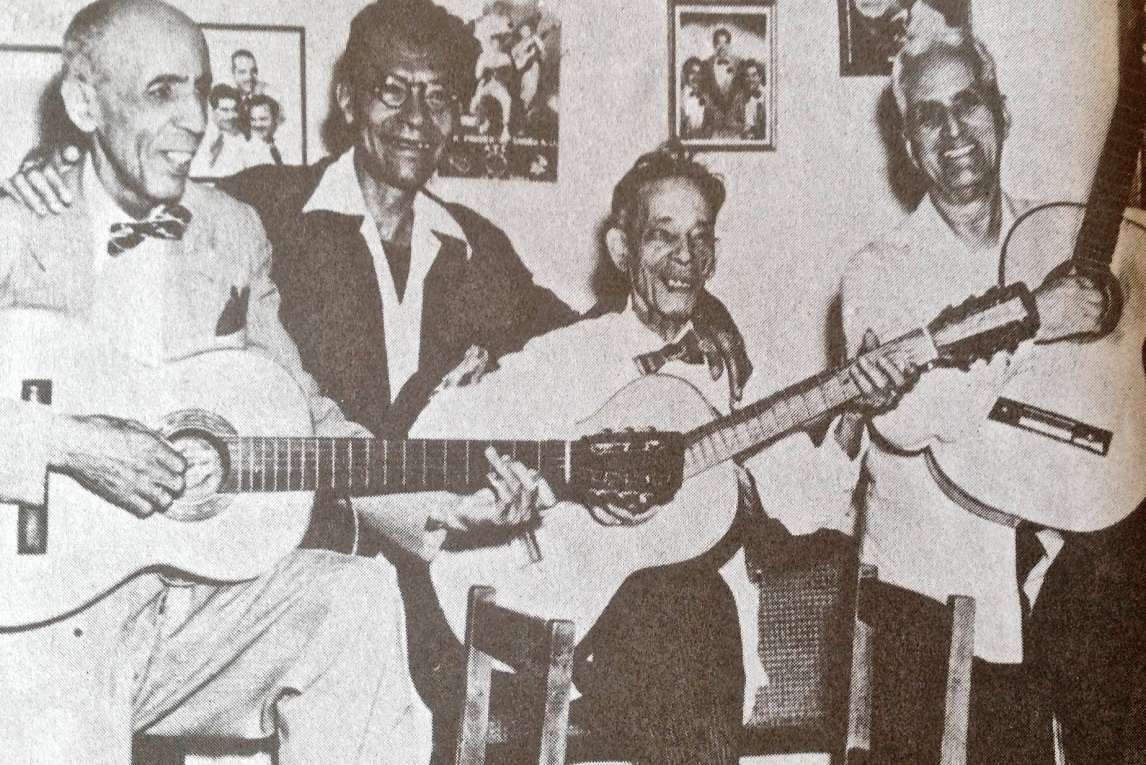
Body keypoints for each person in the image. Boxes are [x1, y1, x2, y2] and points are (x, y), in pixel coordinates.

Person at [0, 2, 553, 762]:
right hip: (38, 611)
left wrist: (445, 501)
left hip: (191, 612)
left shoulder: (231, 229)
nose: (195, 119)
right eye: (163, 92)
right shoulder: (21, 223)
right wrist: (71, 445)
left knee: (354, 600)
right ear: (84, 102)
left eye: (201, 90)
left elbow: (304, 412)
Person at [412, 142, 918, 764]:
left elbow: (810, 503)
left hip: (690, 659)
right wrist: (509, 496)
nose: (686, 256)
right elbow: (439, 432)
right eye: (663, 235)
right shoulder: (565, 355)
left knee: (690, 601)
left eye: (701, 237)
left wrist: (854, 408)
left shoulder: (732, 375)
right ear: (622, 251)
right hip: (559, 611)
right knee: (688, 607)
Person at [839, 30, 1140, 762]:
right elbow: (914, 418)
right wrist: (1033, 320)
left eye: (967, 104)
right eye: (929, 117)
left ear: (1000, 115)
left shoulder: (1065, 238)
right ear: (908, 147)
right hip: (942, 603)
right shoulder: (880, 273)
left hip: (1082, 580)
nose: (954, 133)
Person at [188, 83, 246, 177]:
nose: (231, 116)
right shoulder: (199, 135)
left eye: (234, 110)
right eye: (225, 110)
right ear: (212, 111)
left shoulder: (242, 140)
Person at [241, 93, 284, 166]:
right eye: (253, 120)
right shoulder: (245, 152)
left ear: (274, 119)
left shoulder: (282, 146)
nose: (258, 125)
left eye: (263, 119)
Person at [733, 58, 767, 140]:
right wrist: (742, 129)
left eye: (754, 75)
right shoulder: (739, 98)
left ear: (760, 76)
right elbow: (734, 120)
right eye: (747, 76)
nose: (751, 79)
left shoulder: (767, 97)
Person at [679, 56, 709, 138]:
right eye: (692, 73)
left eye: (699, 74)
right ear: (685, 74)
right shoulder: (679, 99)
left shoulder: (706, 98)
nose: (696, 77)